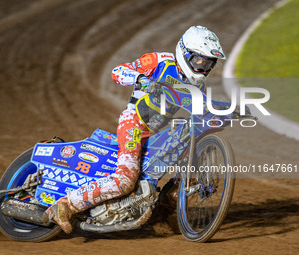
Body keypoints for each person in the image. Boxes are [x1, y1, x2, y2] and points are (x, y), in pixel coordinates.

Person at [45, 25, 226, 234]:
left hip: (156, 132)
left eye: (209, 63)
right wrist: (141, 79)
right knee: (125, 179)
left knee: (180, 150)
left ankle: (162, 211)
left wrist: (231, 110)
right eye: (199, 61)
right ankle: (66, 206)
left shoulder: (198, 86)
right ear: (185, 53)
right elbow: (118, 71)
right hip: (134, 122)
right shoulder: (159, 61)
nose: (203, 68)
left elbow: (202, 108)